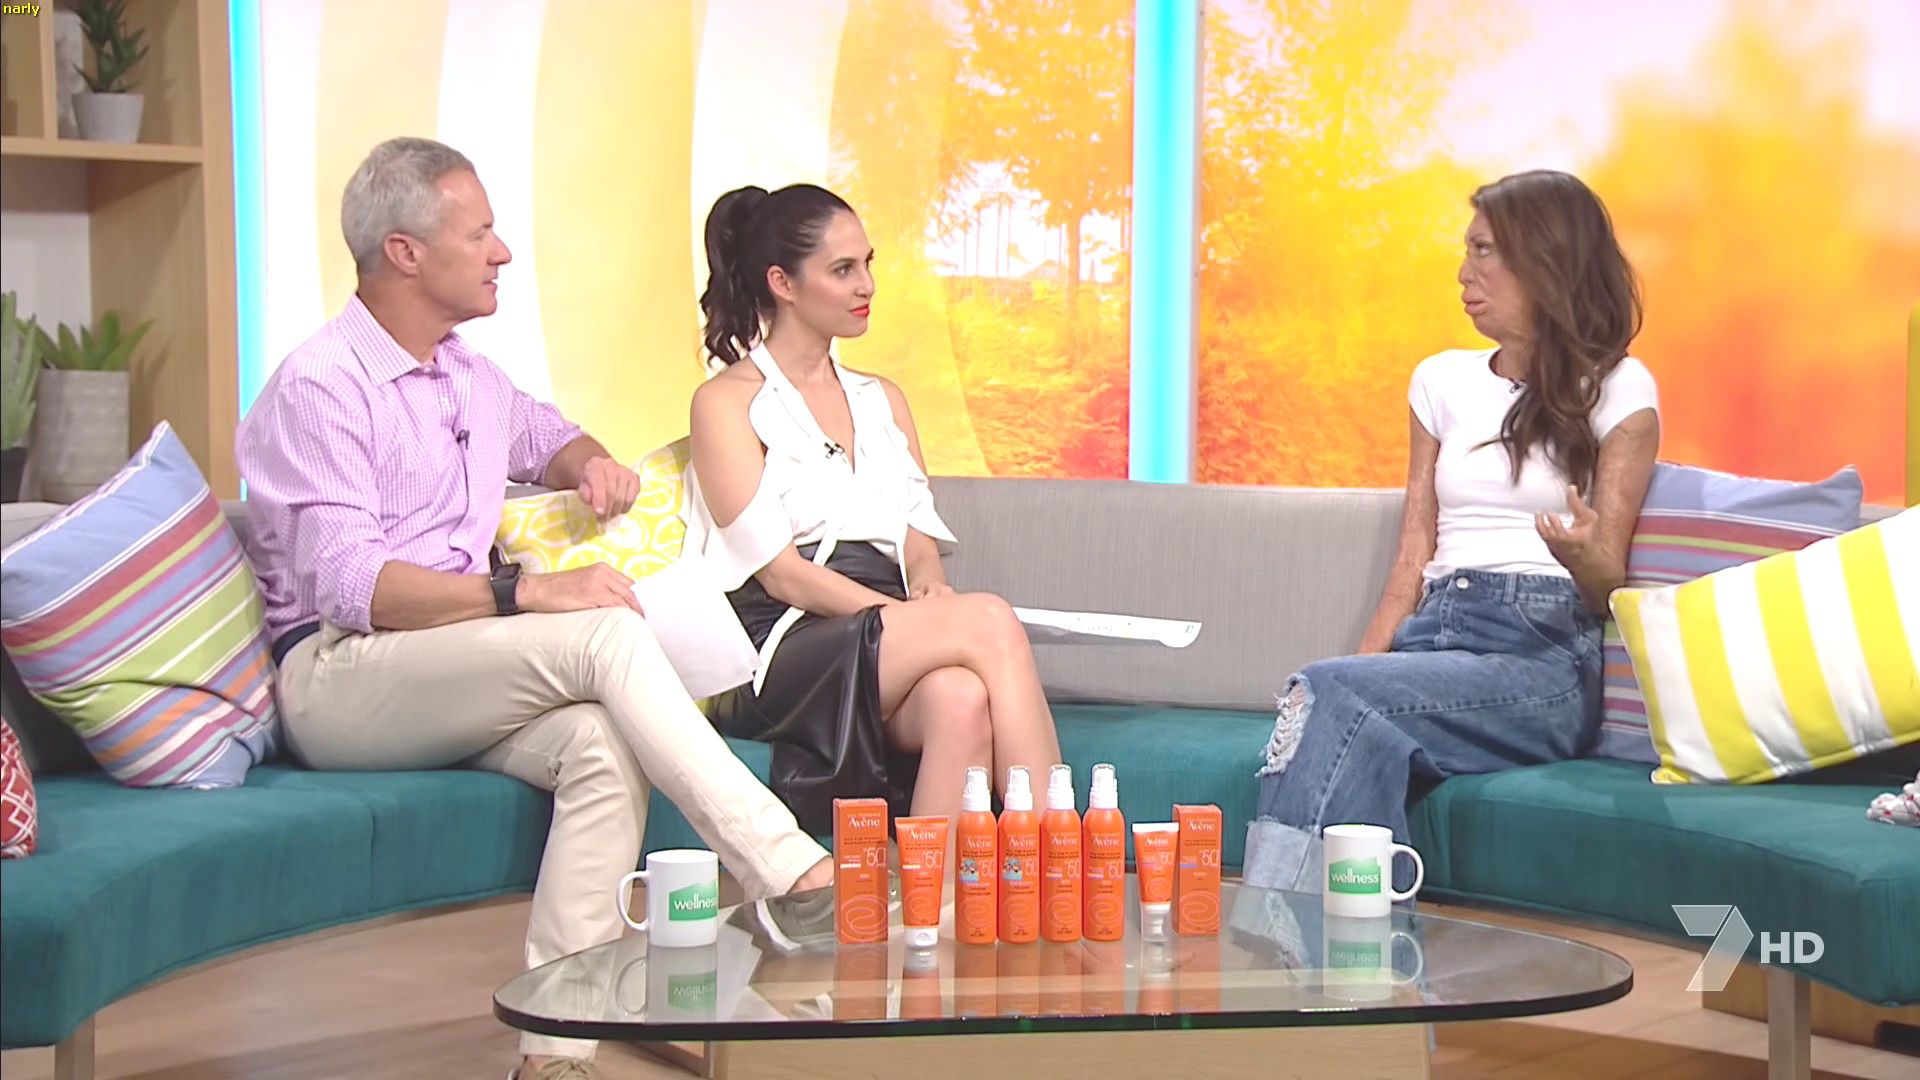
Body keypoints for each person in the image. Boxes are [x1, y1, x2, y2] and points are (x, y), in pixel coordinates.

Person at [236, 138, 833, 1080]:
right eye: (480, 234)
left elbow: (548, 435)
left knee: (599, 747)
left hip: (451, 669)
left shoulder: (468, 375)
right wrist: (522, 593)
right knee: (600, 634)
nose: (502, 251)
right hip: (342, 675)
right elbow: (352, 587)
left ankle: (554, 1056)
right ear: (404, 253)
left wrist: (590, 465)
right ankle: (791, 870)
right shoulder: (321, 387)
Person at [1241, 170, 1661, 894]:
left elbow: (1606, 586)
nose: (1464, 273)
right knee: (1323, 701)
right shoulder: (1440, 381)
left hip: (1540, 657)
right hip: (1433, 634)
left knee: (1331, 698)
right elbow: (1414, 553)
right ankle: (1353, 944)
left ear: (1545, 260)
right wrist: (1352, 674)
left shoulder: (1620, 387)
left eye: (1484, 251)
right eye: (1467, 251)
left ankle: (1282, 934)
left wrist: (1581, 554)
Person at [684, 183, 1062, 833]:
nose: (867, 286)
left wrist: (930, 588)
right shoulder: (725, 403)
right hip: (783, 640)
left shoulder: (882, 399)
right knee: (989, 620)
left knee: (960, 697)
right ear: (782, 283)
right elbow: (782, 576)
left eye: (867, 264)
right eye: (842, 270)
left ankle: (938, 895)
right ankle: (1063, 854)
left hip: (884, 628)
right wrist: (915, 620)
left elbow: (917, 538)